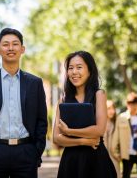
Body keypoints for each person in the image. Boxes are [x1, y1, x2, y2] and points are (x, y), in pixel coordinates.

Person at [0, 28, 48, 178]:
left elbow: (41, 119)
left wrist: (36, 149)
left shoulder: (35, 83)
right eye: (5, 44)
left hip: (26, 151)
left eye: (15, 44)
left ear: (22, 49)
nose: (11, 48)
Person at [53, 50, 117, 178]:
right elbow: (56, 138)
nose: (74, 72)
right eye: (70, 68)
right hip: (71, 162)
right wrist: (83, 141)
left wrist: (69, 131)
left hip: (96, 160)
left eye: (79, 67)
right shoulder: (63, 100)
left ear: (90, 70)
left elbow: (99, 130)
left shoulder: (99, 95)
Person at [111, 92, 137, 178]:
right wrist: (115, 152)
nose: (135, 106)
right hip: (127, 154)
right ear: (127, 104)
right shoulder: (121, 118)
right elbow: (116, 136)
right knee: (126, 175)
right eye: (132, 103)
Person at [104, 100, 120, 178]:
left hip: (114, 159)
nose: (112, 111)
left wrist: (119, 154)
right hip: (101, 159)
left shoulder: (116, 123)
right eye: (109, 108)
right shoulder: (99, 124)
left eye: (113, 108)